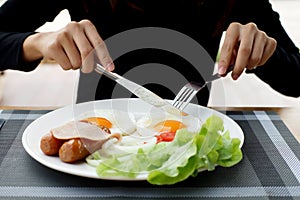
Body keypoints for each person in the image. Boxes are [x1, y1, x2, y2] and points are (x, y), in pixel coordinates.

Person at [0, 0, 299, 106]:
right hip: (95, 139)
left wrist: (264, 52)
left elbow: (296, 78)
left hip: (188, 144)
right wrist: (37, 43)